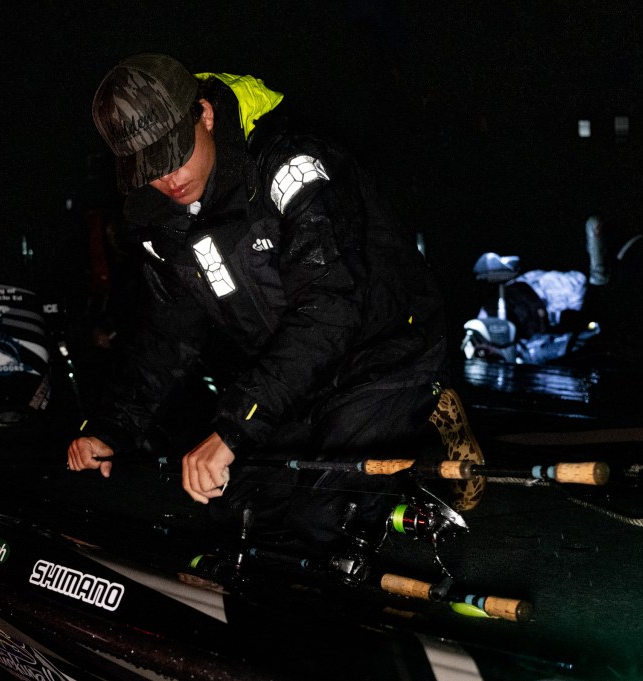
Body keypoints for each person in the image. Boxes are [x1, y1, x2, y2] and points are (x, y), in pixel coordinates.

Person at [67, 53, 449, 554]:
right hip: (298, 378)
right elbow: (169, 332)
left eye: (175, 154)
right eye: (150, 168)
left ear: (205, 115)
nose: (169, 178)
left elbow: (331, 308)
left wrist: (234, 428)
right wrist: (110, 428)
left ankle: (429, 436)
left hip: (382, 351)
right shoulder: (161, 221)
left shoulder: (291, 165)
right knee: (236, 510)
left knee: (325, 517)